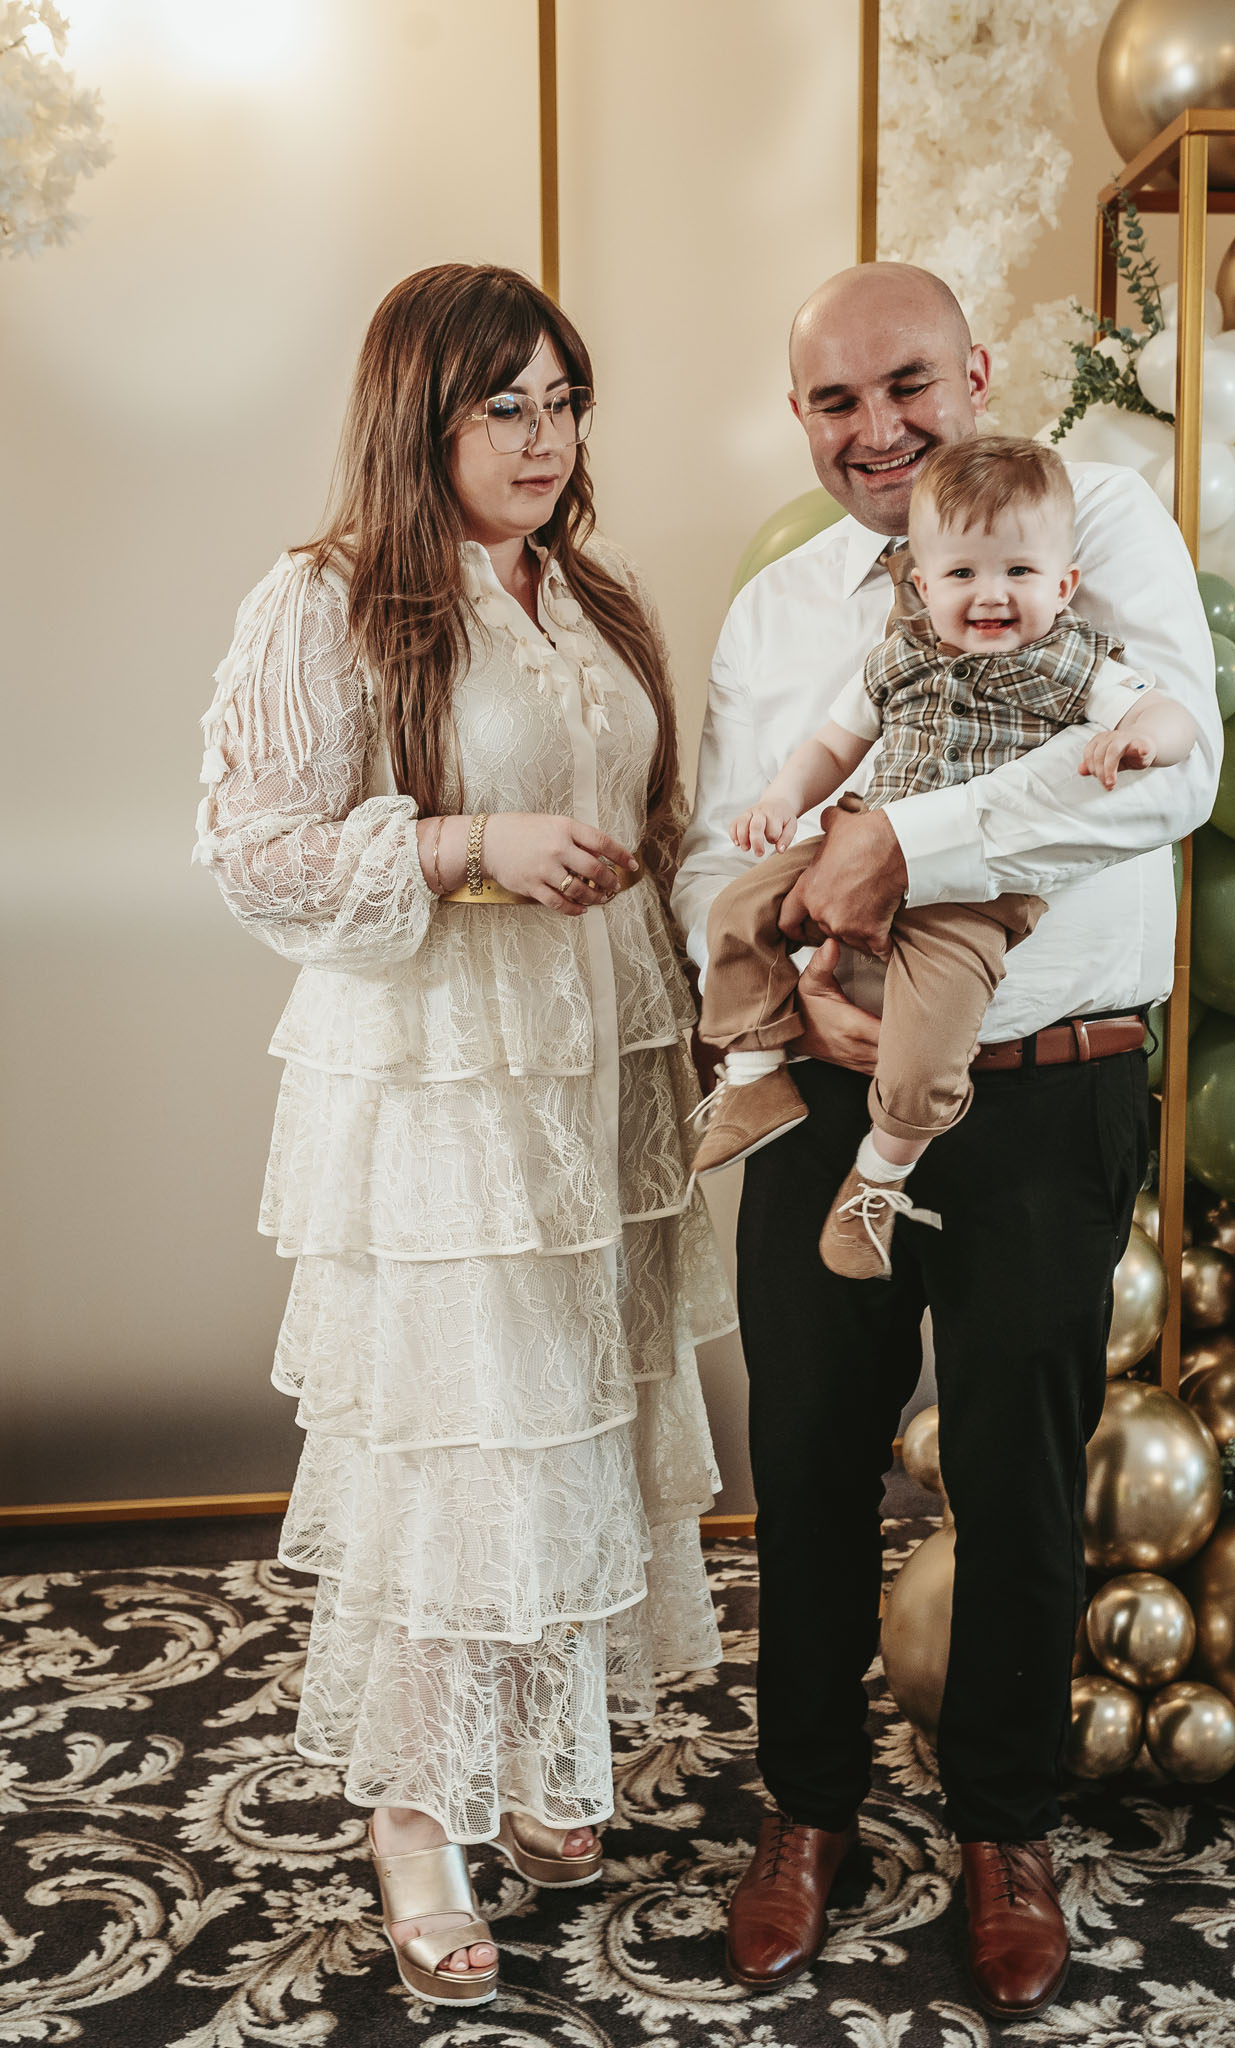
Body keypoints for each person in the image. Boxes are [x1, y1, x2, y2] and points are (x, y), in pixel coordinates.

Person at [673, 263, 1219, 2020]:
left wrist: (905, 842)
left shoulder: (1096, 526)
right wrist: (794, 990)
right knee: (808, 1460)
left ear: (978, 373)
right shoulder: (780, 611)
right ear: (798, 420)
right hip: (823, 1090)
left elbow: (1172, 768)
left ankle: (1002, 1827)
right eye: (834, 402)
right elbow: (717, 851)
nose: (876, 429)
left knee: (1014, 1467)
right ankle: (804, 1811)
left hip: (1049, 1082)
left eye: (906, 383)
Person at [195, 263, 732, 2010]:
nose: (541, 437)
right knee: (462, 1447)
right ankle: (418, 1817)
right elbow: (255, 851)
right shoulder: (333, 598)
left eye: (562, 402)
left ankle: (539, 1762)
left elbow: (655, 820)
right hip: (445, 1090)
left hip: (600, 1079)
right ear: (415, 414)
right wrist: (459, 843)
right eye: (502, 404)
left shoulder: (593, 596)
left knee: (575, 1421)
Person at [689, 435, 1196, 1279]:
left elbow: (1173, 718)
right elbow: (832, 745)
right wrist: (779, 801)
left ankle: (878, 1177)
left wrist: (1140, 740)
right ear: (922, 585)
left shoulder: (1068, 660)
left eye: (1018, 572)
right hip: (850, 838)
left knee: (932, 1040)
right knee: (737, 910)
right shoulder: (899, 655)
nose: (990, 594)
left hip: (967, 896)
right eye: (961, 573)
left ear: (1062, 584)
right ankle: (751, 1073)